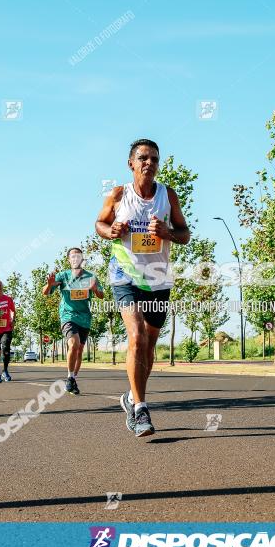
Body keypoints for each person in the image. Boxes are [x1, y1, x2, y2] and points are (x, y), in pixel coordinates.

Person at [95, 138, 190, 437]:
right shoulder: (119, 194)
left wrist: (168, 233)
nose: (149, 163)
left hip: (159, 279)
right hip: (124, 275)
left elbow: (185, 234)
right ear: (131, 163)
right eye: (144, 158)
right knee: (136, 336)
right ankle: (141, 409)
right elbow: (99, 223)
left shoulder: (168, 196)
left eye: (155, 159)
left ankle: (130, 397)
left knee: (148, 346)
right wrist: (110, 231)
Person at [42, 247, 105, 395]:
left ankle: (73, 379)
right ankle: (70, 377)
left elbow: (101, 295)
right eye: (73, 256)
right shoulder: (63, 276)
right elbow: (45, 292)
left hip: (85, 318)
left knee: (79, 350)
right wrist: (50, 284)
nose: (76, 258)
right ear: (69, 260)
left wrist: (95, 289)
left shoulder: (90, 276)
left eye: (78, 256)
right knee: (74, 344)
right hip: (68, 315)